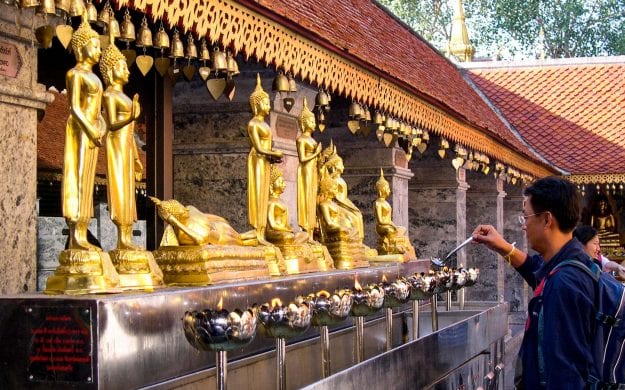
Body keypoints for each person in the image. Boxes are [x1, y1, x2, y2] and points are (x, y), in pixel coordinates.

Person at [472, 176, 596, 389]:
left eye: (526, 217)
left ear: (547, 220)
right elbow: (536, 270)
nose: (524, 226)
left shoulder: (564, 283)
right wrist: (502, 246)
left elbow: (565, 372)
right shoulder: (566, 263)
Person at [62, 14, 106, 250]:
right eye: (95, 45)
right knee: (77, 178)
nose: (99, 51)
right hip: (79, 131)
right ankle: (75, 234)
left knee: (88, 182)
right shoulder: (75, 74)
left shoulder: (96, 78)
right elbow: (75, 108)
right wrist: (90, 128)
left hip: (93, 133)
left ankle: (83, 233)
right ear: (81, 47)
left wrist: (101, 127)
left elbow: (98, 111)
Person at [100, 33, 143, 250]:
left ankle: (127, 237)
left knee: (129, 191)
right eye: (122, 67)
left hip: (126, 145)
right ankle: (121, 238)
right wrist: (131, 116)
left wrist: (136, 156)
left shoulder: (125, 97)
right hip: (115, 145)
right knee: (119, 188)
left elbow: (130, 130)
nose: (127, 71)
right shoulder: (109, 95)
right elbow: (112, 125)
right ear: (110, 71)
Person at [247, 74, 283, 245]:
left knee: (265, 196)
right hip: (257, 161)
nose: (268, 106)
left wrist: (273, 156)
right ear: (256, 104)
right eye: (266, 103)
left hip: (266, 161)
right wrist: (273, 153)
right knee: (258, 195)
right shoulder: (253, 124)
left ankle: (262, 232)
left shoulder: (266, 125)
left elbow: (266, 148)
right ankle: (257, 232)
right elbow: (259, 148)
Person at [296, 97, 322, 240]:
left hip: (313, 171)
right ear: (304, 123)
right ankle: (306, 230)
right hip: (305, 171)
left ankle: (312, 234)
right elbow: (302, 159)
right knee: (306, 199)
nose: (314, 123)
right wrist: (316, 153)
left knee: (313, 200)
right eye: (311, 121)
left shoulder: (312, 140)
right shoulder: (302, 140)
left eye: (314, 120)